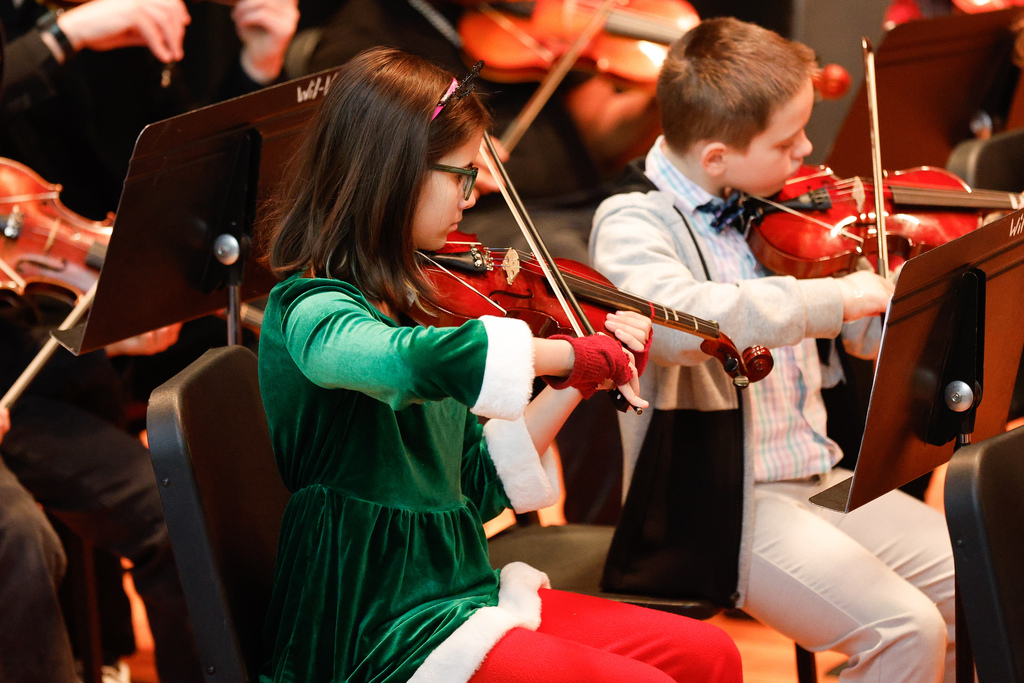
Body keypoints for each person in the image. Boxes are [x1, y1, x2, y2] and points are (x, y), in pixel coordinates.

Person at [257, 46, 743, 683]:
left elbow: (475, 485)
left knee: (711, 656)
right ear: (395, 173)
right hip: (370, 625)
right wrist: (561, 350)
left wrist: (581, 378)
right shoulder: (312, 310)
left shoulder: (421, 301)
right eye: (462, 173)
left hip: (460, 591)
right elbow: (401, 366)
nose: (475, 190)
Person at [589, 17, 957, 683]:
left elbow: (853, 338)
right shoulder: (633, 222)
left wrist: (900, 304)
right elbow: (676, 326)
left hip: (821, 477)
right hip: (724, 502)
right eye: (788, 142)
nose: (809, 151)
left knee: (981, 577)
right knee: (907, 628)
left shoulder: (770, 206)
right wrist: (836, 299)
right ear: (716, 158)